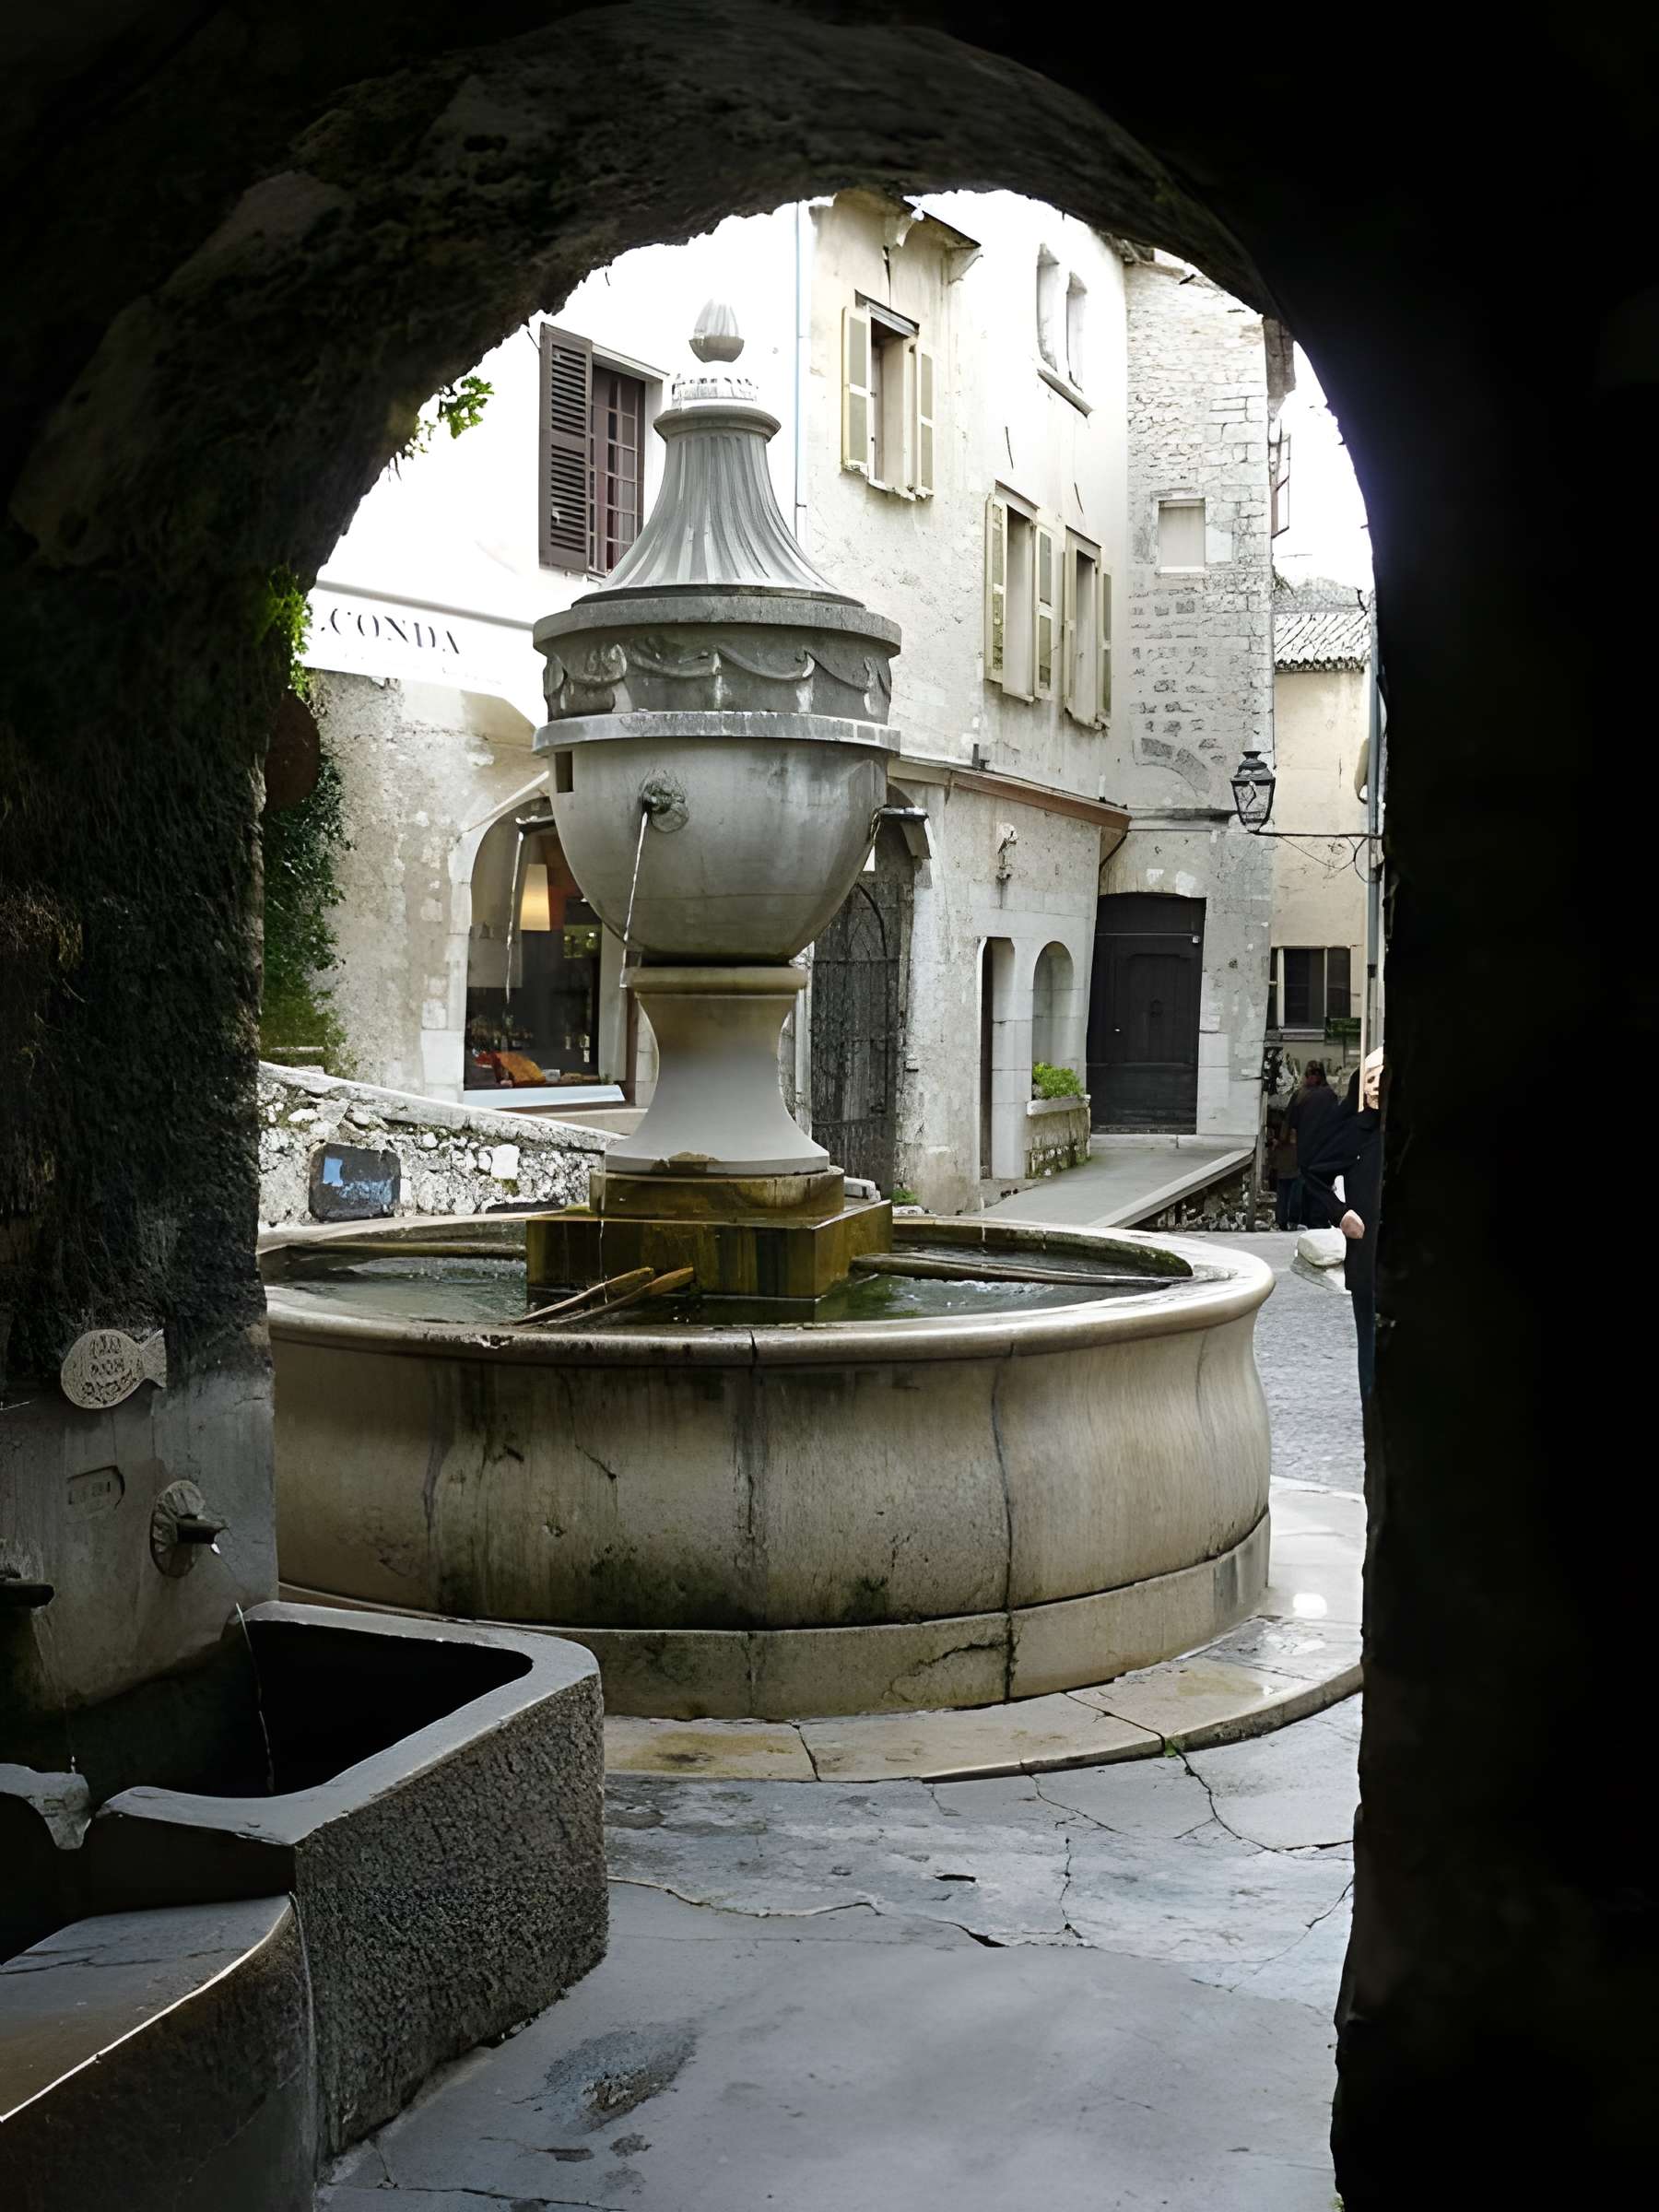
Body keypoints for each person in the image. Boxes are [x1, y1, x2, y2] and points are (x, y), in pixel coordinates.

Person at [1300, 1046, 1384, 1405]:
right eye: (1370, 1079)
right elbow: (1313, 1171)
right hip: (1367, 1254)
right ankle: (1373, 1403)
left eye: (1384, 1077)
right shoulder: (1355, 1132)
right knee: (1369, 1334)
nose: (1377, 1086)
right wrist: (1341, 1213)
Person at [1281, 1061, 1342, 1229]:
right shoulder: (1330, 1096)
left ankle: (1298, 1219)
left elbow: (1291, 1123)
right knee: (1319, 1186)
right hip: (1324, 1150)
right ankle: (1318, 1219)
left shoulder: (1300, 1095)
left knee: (1303, 1184)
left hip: (1305, 1150)